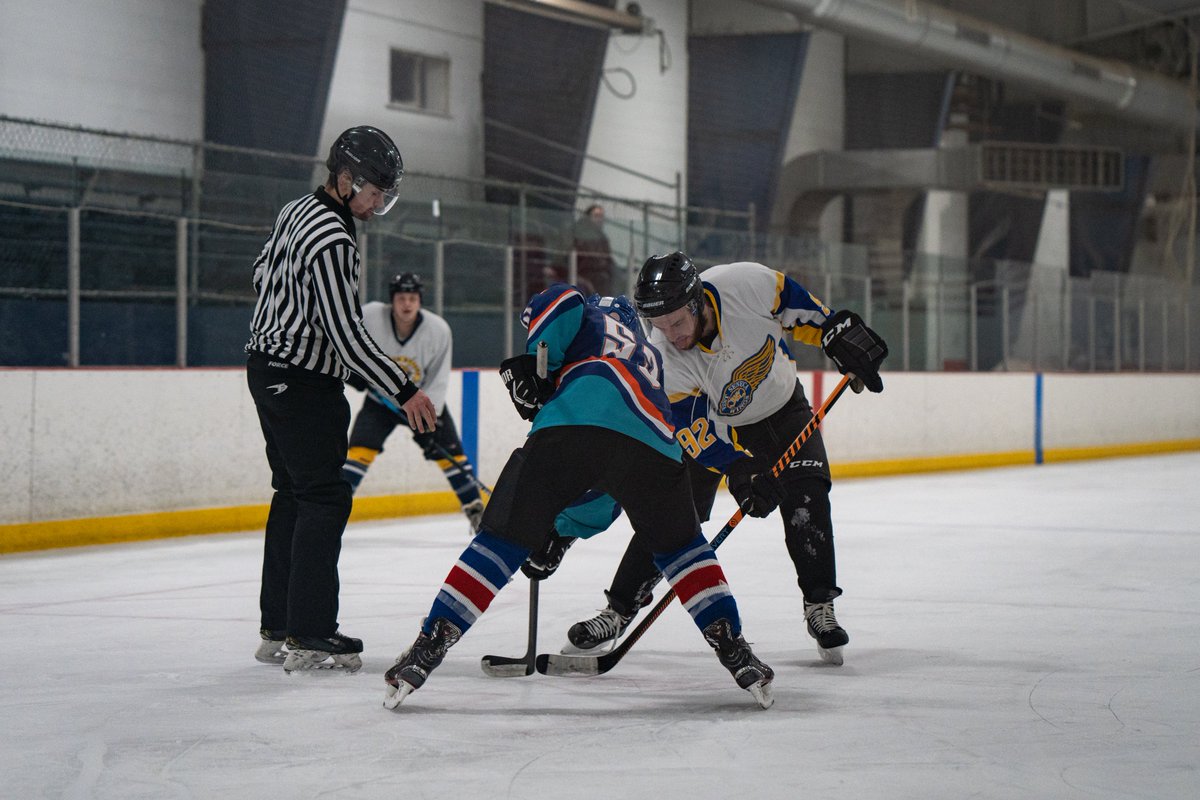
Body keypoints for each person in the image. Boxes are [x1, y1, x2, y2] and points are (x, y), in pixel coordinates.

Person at [382, 287, 776, 710]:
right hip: (653, 443)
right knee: (684, 549)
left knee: (500, 541)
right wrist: (738, 465)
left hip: (574, 420)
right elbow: (621, 474)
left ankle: (430, 645)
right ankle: (735, 651)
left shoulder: (587, 312)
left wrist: (541, 366)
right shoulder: (650, 357)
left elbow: (562, 301)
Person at [561, 251, 888, 666]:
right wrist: (739, 469)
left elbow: (804, 313)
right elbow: (694, 429)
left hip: (783, 409)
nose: (672, 334)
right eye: (659, 325)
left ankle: (819, 605)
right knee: (670, 514)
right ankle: (619, 609)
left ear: (696, 302)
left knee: (807, 497)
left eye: (677, 322)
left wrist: (835, 334)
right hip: (720, 427)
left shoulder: (748, 283)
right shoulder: (663, 355)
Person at [246, 126, 438, 674]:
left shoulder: (294, 211)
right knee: (325, 498)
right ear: (347, 179)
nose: (378, 205)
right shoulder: (333, 238)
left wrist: (290, 322)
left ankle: (278, 627)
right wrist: (405, 389)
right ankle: (309, 634)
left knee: (293, 493)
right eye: (375, 192)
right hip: (302, 384)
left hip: (266, 369)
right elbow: (347, 336)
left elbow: (261, 275)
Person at [341, 271, 484, 531]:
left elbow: (438, 379)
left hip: (420, 403)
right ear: (391, 300)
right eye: (401, 298)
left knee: (453, 457)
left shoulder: (438, 330)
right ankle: (333, 512)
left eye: (412, 298)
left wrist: (432, 421)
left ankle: (477, 512)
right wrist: (351, 370)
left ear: (419, 301)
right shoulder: (371, 316)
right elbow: (343, 336)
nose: (407, 304)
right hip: (379, 401)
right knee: (357, 454)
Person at [569, 204, 615, 296]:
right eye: (596, 216)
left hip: (601, 273)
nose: (599, 219)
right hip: (586, 273)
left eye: (601, 216)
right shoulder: (579, 234)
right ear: (588, 217)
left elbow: (607, 257)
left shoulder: (602, 237)